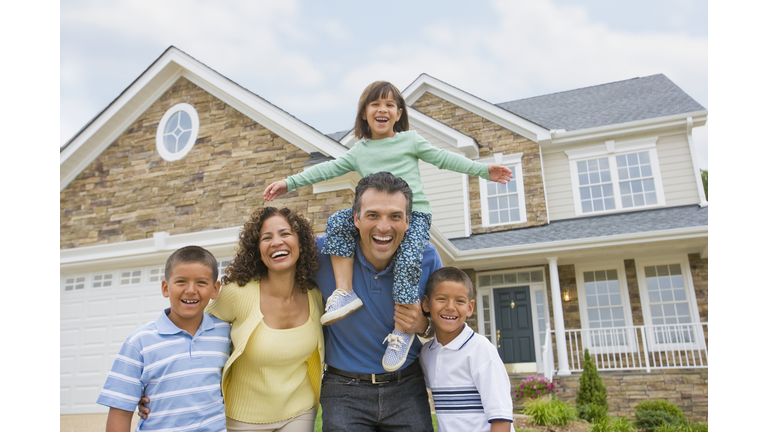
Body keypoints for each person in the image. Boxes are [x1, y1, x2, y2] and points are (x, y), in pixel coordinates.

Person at [264, 80, 513, 371]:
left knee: (408, 260)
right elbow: (327, 168)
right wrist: (288, 183)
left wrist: (483, 169)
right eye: (375, 104)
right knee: (336, 223)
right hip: (373, 215)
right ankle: (345, 292)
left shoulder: (410, 141)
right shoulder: (360, 151)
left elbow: (444, 159)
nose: (382, 109)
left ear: (398, 113)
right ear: (364, 114)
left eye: (390, 105)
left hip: (413, 216)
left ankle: (402, 331)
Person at [138, 207, 325, 432]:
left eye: (285, 234)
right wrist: (156, 385)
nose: (276, 242)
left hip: (300, 413)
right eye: (267, 237)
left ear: (301, 242)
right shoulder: (238, 293)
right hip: (242, 418)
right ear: (257, 250)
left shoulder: (314, 295)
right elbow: (192, 333)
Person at [315, 171, 438, 431]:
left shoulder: (426, 258)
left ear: (408, 222)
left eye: (394, 216)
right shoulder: (322, 253)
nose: (383, 227)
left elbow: (446, 325)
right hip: (343, 391)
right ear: (356, 219)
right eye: (372, 215)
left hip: (406, 388)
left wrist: (422, 325)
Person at [97, 245, 229, 432]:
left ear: (215, 290)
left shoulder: (225, 334)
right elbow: (120, 412)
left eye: (201, 282)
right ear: (165, 288)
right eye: (181, 282)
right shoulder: (139, 343)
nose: (191, 290)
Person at [419, 267, 514, 432]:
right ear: (426, 304)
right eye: (441, 299)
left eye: (460, 301)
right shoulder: (426, 354)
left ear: (470, 308)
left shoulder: (481, 350)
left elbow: (501, 419)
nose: (450, 307)